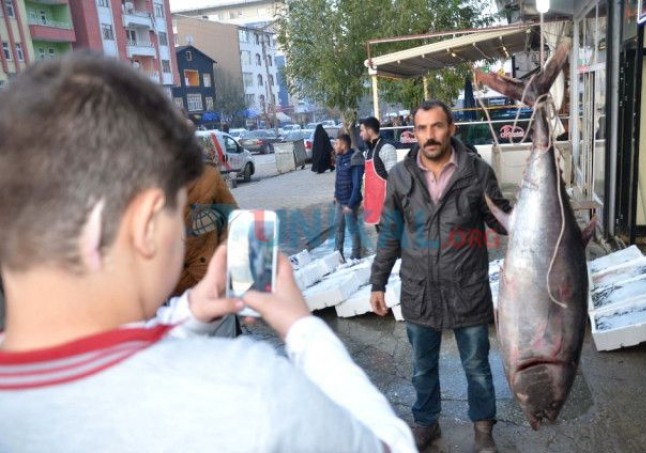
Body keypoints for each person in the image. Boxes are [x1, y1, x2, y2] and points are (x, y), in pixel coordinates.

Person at [0, 54, 416, 453]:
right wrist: (300, 327)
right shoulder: (249, 393)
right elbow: (390, 445)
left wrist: (189, 313)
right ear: (146, 225)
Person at [368, 100, 511, 452]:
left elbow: (502, 221)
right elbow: (389, 232)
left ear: (451, 128)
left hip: (468, 288)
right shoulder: (401, 177)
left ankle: (482, 430)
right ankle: (426, 423)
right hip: (420, 289)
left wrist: (539, 204)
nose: (429, 136)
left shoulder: (477, 173)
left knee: (477, 366)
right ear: (413, 132)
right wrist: (378, 282)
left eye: (437, 126)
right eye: (422, 128)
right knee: (421, 367)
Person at [172, 133, 240, 336]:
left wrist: (223, 256)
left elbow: (233, 218)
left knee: (226, 352)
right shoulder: (141, 181)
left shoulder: (207, 175)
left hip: (209, 278)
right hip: (166, 290)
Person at [360, 116, 397, 230]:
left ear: (370, 131)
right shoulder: (368, 151)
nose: (360, 134)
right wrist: (364, 199)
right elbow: (368, 178)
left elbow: (394, 179)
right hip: (374, 204)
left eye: (362, 130)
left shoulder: (386, 148)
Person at [333, 133, 365, 261]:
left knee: (352, 228)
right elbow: (338, 178)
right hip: (340, 200)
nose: (335, 146)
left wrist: (350, 205)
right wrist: (335, 195)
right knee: (338, 227)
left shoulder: (355, 159)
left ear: (344, 144)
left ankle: (356, 255)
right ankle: (337, 254)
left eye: (337, 143)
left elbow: (357, 185)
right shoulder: (340, 157)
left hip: (350, 202)